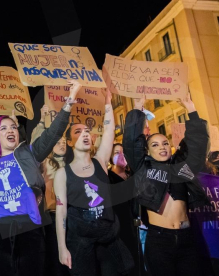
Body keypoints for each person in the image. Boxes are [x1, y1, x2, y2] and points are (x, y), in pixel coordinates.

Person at [0, 80, 82, 276]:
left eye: (14, 127)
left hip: (29, 229)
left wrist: (70, 101)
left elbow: (52, 134)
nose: (11, 130)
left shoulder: (29, 154)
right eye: (4, 128)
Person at [122, 94, 211, 276]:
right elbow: (131, 143)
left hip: (188, 239)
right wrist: (138, 110)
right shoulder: (142, 167)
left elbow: (197, 144)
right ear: (147, 150)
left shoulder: (180, 166)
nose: (162, 147)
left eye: (165, 143)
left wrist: (191, 109)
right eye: (155, 145)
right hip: (160, 241)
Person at [54, 89, 134, 276]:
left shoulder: (100, 162)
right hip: (81, 242)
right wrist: (61, 247)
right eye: (78, 131)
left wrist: (107, 102)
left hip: (109, 239)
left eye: (88, 131)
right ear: (70, 142)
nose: (85, 134)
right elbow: (61, 212)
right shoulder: (62, 174)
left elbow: (108, 131)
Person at [30, 104, 70, 276]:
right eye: (57, 142)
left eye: (63, 142)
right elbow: (36, 145)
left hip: (71, 215)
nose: (61, 145)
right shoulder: (45, 163)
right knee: (55, 254)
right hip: (52, 215)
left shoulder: (71, 164)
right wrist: (41, 121)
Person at [108, 143, 142, 276]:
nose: (121, 155)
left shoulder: (132, 176)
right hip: (120, 228)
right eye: (116, 153)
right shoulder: (108, 178)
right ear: (110, 157)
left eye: (123, 152)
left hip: (136, 227)